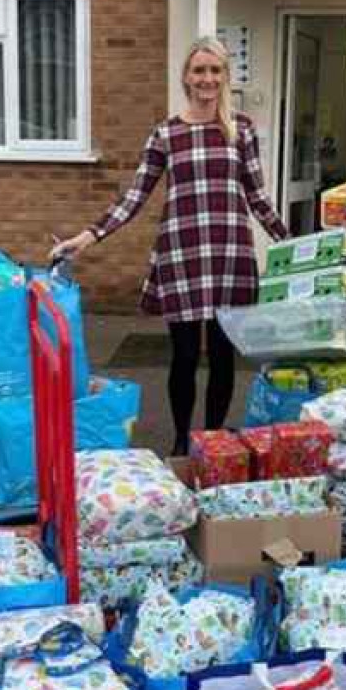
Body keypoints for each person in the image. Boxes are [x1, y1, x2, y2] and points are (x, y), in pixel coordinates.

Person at [51, 36, 289, 456]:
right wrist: (88, 236)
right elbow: (134, 196)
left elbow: (257, 198)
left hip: (230, 255)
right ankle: (181, 442)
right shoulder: (166, 133)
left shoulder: (242, 130)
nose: (207, 79)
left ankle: (213, 440)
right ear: (186, 77)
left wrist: (295, 244)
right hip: (181, 255)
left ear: (225, 77)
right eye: (199, 70)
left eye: (215, 70)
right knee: (181, 356)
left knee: (221, 354)